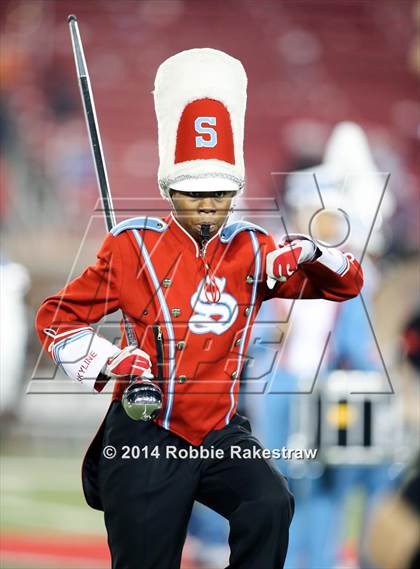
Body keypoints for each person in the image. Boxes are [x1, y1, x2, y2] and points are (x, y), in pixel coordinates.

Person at [35, 48, 363, 569]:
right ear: (169, 190)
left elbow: (347, 286)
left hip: (220, 431)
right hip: (147, 431)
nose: (208, 203)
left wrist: (309, 250)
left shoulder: (256, 249)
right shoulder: (130, 247)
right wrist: (113, 361)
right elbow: (56, 318)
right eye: (193, 192)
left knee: (269, 504)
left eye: (219, 191)